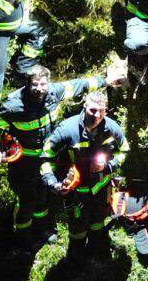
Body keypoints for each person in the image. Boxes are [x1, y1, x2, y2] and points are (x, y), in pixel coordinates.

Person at [0, 62, 125, 238]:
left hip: (49, 158)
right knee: (27, 199)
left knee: (44, 196)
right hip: (24, 163)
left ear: (48, 83)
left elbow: (79, 85)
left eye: (43, 84)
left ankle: (43, 231)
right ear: (27, 84)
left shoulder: (54, 92)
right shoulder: (14, 105)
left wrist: (105, 80)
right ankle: (23, 238)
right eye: (35, 84)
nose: (39, 89)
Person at [40, 89, 130, 254]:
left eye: (101, 111)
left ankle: (98, 250)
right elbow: (46, 158)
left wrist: (108, 166)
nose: (97, 115)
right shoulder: (67, 129)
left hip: (101, 190)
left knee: (98, 223)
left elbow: (124, 151)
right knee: (78, 230)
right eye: (93, 110)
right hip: (77, 193)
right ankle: (76, 257)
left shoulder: (111, 128)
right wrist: (53, 184)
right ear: (85, 106)